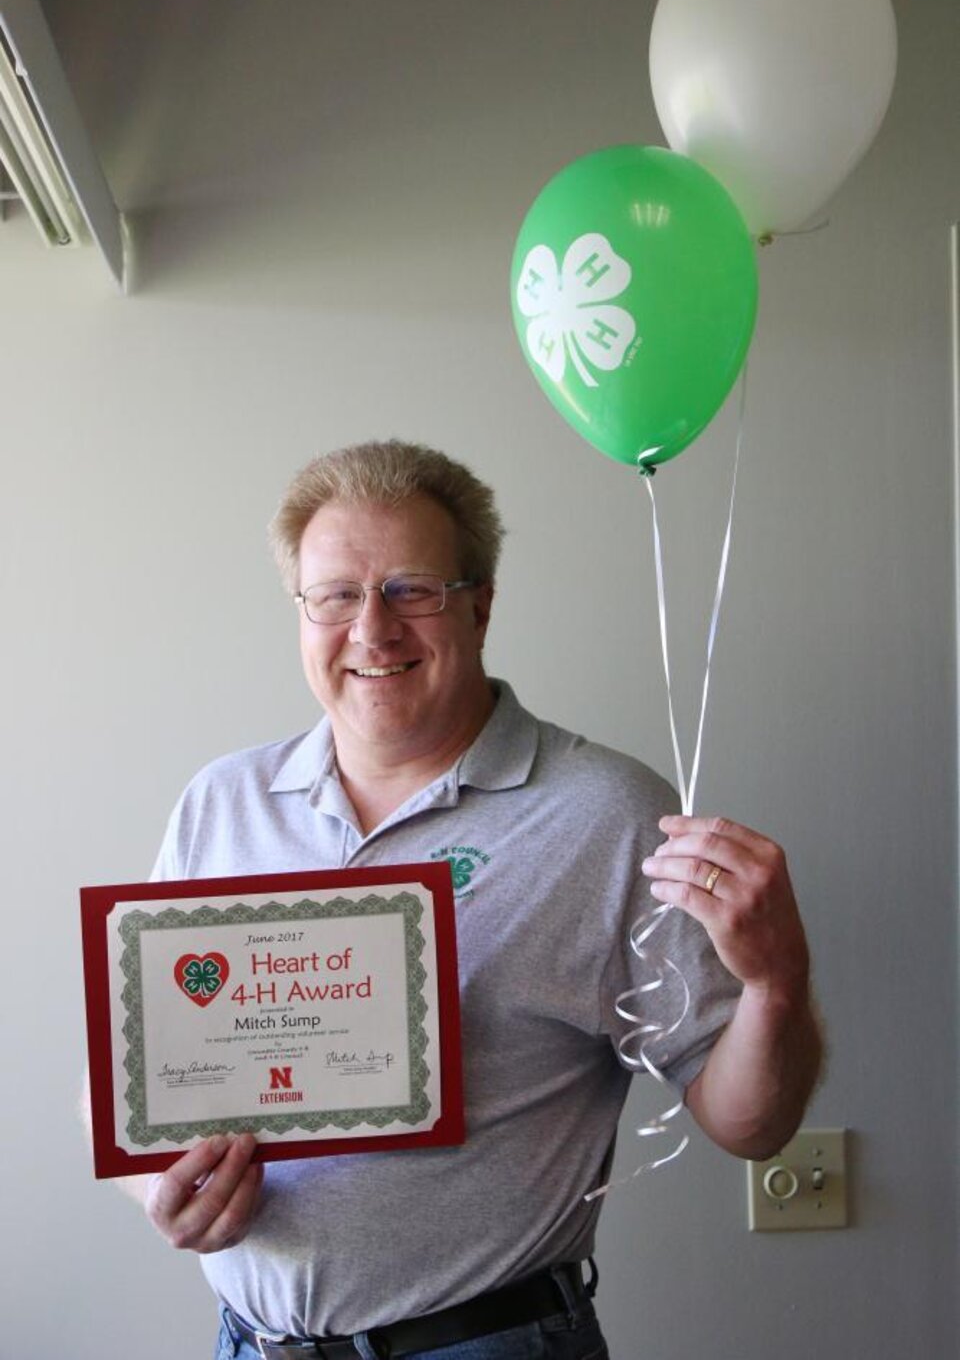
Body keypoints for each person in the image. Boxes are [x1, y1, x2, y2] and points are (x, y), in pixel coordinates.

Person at [113, 440, 821, 1360]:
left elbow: (750, 1125)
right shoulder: (221, 803)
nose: (373, 629)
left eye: (413, 588)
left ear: (481, 604)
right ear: (301, 611)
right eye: (335, 594)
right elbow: (125, 1079)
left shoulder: (608, 812)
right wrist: (157, 1186)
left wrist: (776, 982)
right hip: (249, 1343)